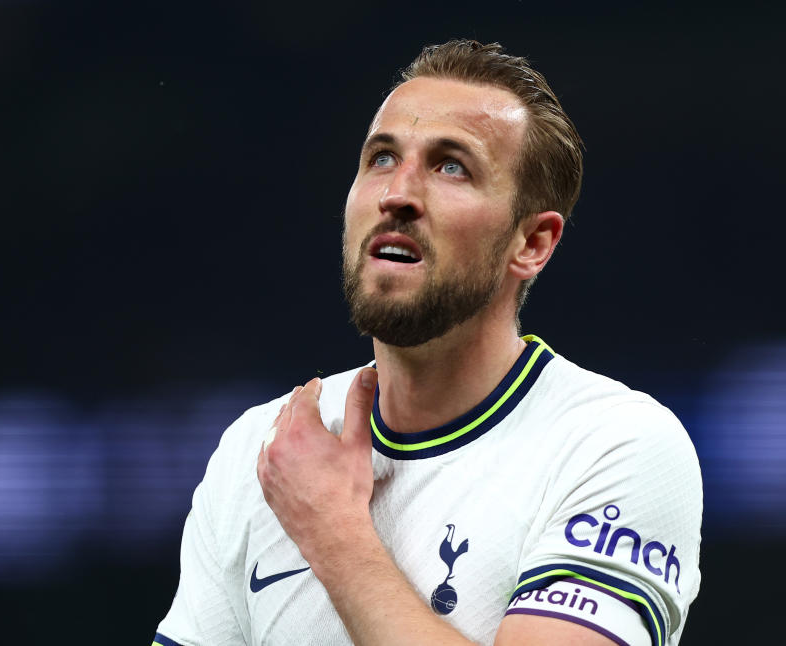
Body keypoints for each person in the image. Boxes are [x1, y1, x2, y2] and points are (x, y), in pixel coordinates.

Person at [153, 40, 701, 646]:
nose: (398, 194)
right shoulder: (264, 450)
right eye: (381, 158)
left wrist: (334, 532)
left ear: (533, 243)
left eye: (451, 166)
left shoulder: (615, 445)